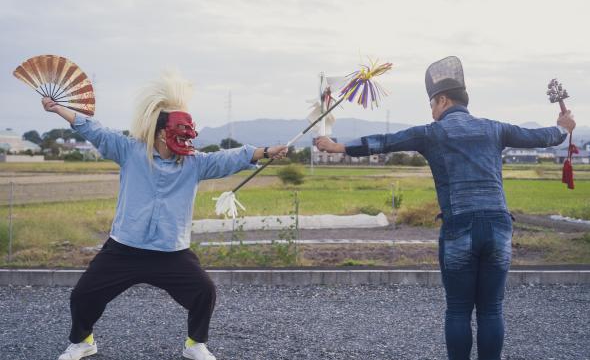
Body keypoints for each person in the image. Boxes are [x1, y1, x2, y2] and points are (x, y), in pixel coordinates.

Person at [315, 56, 576, 360]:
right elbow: (542, 137)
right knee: (491, 310)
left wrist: (338, 147)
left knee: (459, 310)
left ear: (441, 100)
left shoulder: (431, 133)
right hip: (498, 226)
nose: (431, 111)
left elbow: (385, 142)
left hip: (460, 227)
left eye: (431, 104)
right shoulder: (495, 128)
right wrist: (562, 127)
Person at [47, 72, 288, 360]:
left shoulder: (194, 163)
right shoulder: (130, 151)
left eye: (188, 135)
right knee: (83, 295)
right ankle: (83, 341)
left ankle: (195, 344)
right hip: (124, 248)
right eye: (180, 134)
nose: (186, 140)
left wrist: (264, 152)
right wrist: (59, 108)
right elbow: (95, 131)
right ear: (161, 132)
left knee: (204, 292)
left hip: (171, 252)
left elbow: (228, 158)